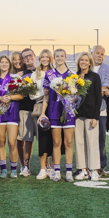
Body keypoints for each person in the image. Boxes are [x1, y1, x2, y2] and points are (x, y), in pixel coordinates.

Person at [40, 48, 75, 182]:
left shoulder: (72, 75)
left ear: (65, 57)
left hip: (68, 112)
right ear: (54, 58)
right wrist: (43, 113)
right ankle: (57, 171)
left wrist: (72, 98)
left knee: (69, 142)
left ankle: (69, 172)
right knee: (56, 142)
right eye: (57, 56)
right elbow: (46, 96)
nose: (59, 58)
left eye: (62, 56)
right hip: (54, 111)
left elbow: (76, 96)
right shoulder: (49, 74)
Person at [73, 52, 103, 181]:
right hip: (77, 115)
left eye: (86, 60)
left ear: (90, 62)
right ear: (79, 62)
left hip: (91, 115)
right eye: (81, 60)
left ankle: (94, 170)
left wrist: (96, 117)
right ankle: (83, 169)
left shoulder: (95, 77)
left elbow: (98, 98)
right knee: (79, 143)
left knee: (92, 143)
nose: (83, 62)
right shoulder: (73, 77)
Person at [0, 55, 22, 178]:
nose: (4, 64)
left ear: (9, 65)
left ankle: (14, 169)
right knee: (1, 141)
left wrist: (10, 97)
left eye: (6, 62)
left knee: (11, 142)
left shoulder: (15, 78)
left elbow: (21, 96)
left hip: (12, 112)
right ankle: (3, 169)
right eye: (2, 62)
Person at [16, 49, 39, 176]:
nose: (28, 58)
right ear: (23, 60)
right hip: (24, 108)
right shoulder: (20, 74)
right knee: (25, 139)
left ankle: (45, 166)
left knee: (42, 139)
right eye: (25, 57)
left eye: (30, 55)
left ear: (35, 56)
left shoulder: (41, 72)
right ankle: (25, 166)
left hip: (40, 109)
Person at [92, 45, 109, 173]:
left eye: (102, 54)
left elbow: (105, 88)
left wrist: (90, 95)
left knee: (101, 139)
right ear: (92, 53)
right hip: (86, 110)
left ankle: (101, 165)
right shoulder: (86, 67)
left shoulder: (107, 69)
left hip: (101, 109)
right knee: (86, 139)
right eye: (97, 53)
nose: (100, 55)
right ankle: (85, 165)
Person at [32, 49, 53, 178]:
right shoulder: (36, 74)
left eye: (47, 57)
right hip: (41, 107)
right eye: (42, 57)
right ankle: (43, 168)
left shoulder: (55, 72)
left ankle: (50, 166)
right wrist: (43, 94)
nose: (45, 59)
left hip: (55, 107)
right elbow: (31, 93)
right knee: (42, 137)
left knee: (53, 138)